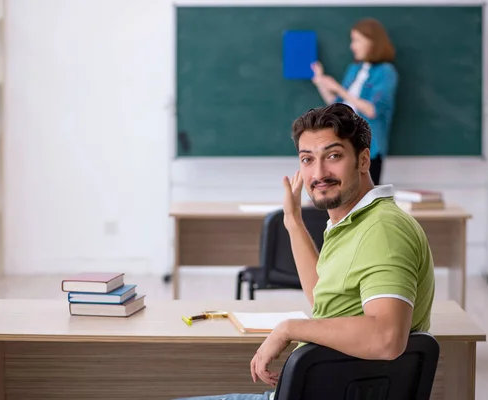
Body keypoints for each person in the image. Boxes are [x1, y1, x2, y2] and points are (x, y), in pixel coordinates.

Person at [174, 103, 435, 400]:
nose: (319, 173)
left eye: (333, 156)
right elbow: (324, 300)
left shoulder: (382, 231)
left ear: (363, 160)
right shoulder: (356, 222)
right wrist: (293, 222)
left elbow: (387, 338)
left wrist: (288, 329)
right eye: (307, 160)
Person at [311, 18, 398, 185]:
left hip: (368, 149)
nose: (353, 46)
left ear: (372, 42)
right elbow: (338, 105)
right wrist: (320, 82)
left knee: (365, 201)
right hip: (344, 145)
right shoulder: (354, 69)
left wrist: (339, 88)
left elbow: (372, 110)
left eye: (357, 40)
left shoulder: (386, 72)